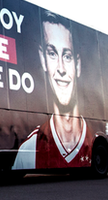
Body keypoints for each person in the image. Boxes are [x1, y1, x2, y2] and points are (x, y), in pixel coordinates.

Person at [12, 11, 94, 170]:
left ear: (77, 65)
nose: (61, 69)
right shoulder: (27, 150)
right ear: (43, 60)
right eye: (52, 54)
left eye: (67, 56)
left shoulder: (91, 136)